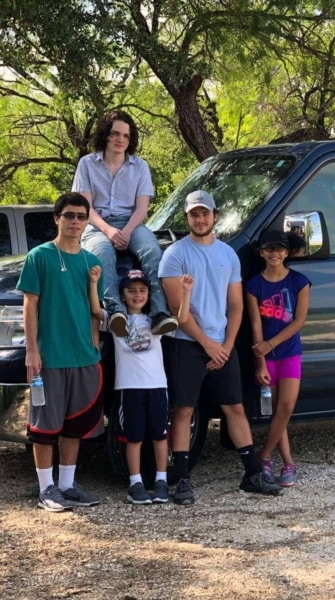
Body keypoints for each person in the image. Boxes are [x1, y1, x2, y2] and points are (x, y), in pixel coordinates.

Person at [158, 189, 283, 504]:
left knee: (235, 407)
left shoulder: (227, 254)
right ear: (187, 218)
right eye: (193, 214)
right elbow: (177, 311)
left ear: (215, 216)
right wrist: (208, 345)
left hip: (222, 345)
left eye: (205, 213)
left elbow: (236, 307)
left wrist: (225, 346)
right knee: (184, 409)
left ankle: (252, 473)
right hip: (187, 344)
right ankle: (182, 479)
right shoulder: (175, 254)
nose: (200, 219)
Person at [17, 192, 104, 512]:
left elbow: (96, 312)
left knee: (74, 426)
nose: (76, 222)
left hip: (83, 358)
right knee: (45, 426)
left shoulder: (92, 263)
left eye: (82, 216)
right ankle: (46, 489)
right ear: (57, 218)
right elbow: (30, 304)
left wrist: (94, 348)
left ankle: (67, 485)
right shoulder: (39, 257)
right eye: (69, 216)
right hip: (49, 357)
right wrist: (31, 351)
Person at [88, 268, 194, 504]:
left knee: (159, 435)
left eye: (142, 290)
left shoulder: (156, 321)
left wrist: (186, 292)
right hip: (129, 386)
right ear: (122, 295)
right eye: (131, 290)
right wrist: (94, 283)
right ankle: (135, 482)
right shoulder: (118, 320)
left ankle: (161, 480)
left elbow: (182, 320)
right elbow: (96, 312)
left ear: (149, 294)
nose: (137, 295)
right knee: (133, 437)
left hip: (157, 385)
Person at [72, 109, 177, 338]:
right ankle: (114, 311)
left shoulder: (140, 166)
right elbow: (85, 208)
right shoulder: (87, 164)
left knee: (152, 252)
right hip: (97, 224)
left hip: (131, 223)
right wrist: (109, 231)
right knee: (102, 254)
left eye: (126, 136)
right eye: (115, 134)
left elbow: (142, 208)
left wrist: (126, 232)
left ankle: (160, 313)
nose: (121, 140)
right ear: (105, 135)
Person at [245, 230, 311, 487]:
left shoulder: (299, 281)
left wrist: (271, 343)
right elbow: (255, 323)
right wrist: (260, 360)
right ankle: (288, 464)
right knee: (275, 412)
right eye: (269, 249)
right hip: (266, 357)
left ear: (287, 252)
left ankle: (262, 457)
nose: (274, 253)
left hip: (290, 353)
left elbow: (299, 321)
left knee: (286, 408)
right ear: (261, 252)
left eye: (279, 249)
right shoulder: (254, 285)